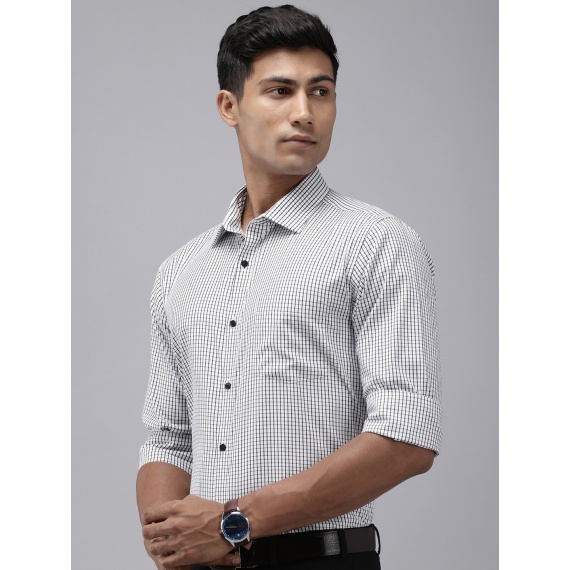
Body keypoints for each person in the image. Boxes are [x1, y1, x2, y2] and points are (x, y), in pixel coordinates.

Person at [136, 5, 442, 570]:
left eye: (320, 92)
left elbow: (406, 435)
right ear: (229, 106)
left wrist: (232, 524)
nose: (304, 112)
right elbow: (168, 439)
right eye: (280, 91)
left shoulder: (377, 243)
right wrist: (172, 543)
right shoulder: (180, 271)